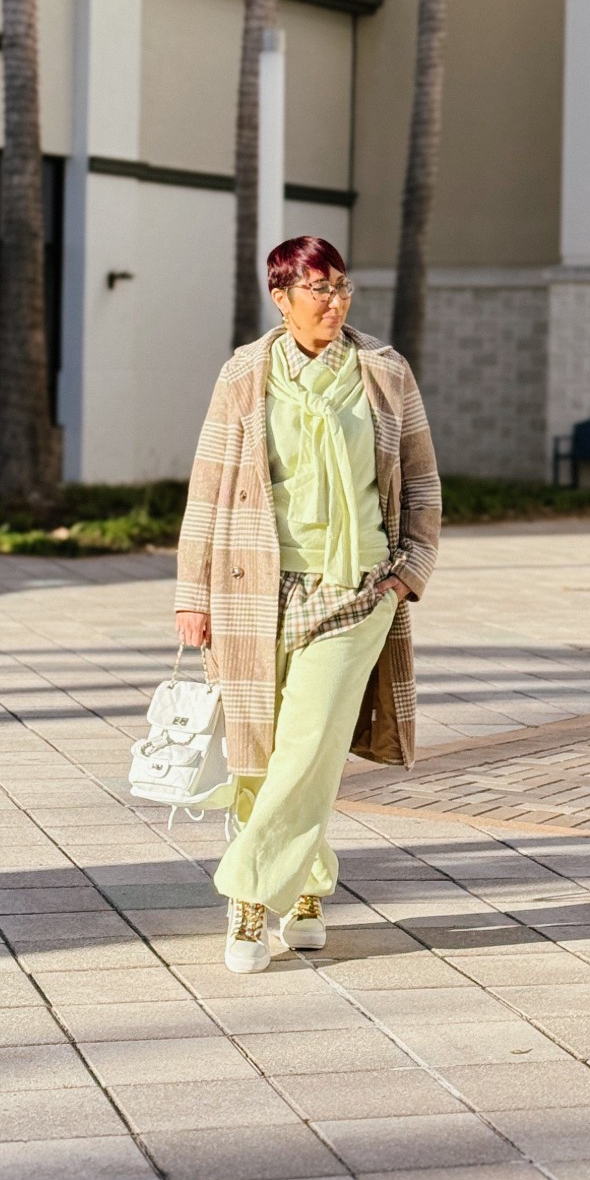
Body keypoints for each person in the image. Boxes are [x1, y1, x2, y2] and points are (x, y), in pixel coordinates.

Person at [175, 235, 441, 973]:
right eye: (318, 289)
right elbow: (209, 487)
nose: (335, 301)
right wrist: (190, 593)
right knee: (260, 757)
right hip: (253, 592)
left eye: (342, 286)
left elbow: (421, 481)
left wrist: (408, 571)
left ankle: (249, 894)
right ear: (281, 296)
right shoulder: (245, 375)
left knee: (310, 741)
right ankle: (310, 884)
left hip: (356, 591)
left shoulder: (384, 374)